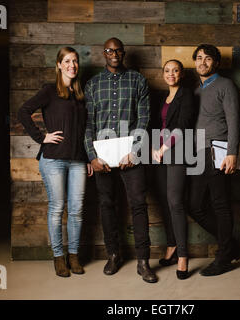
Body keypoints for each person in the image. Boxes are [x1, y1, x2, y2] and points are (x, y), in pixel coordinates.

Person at [84, 38, 157, 283]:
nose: (114, 54)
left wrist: (135, 151)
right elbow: (88, 124)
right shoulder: (93, 84)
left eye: (117, 50)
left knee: (138, 204)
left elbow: (144, 119)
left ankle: (143, 261)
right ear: (103, 53)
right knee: (107, 205)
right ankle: (114, 254)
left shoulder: (138, 81)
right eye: (109, 50)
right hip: (102, 158)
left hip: (130, 156)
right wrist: (92, 157)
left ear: (123, 53)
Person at [18, 47, 93, 277]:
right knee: (57, 208)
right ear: (59, 65)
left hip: (78, 160)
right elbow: (23, 111)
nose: (72, 65)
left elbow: (84, 130)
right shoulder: (50, 91)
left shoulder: (80, 95)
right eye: (67, 61)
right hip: (53, 160)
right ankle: (59, 257)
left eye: (75, 61)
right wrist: (42, 137)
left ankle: (74, 256)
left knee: (77, 210)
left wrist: (89, 156)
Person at [189, 44, 240, 276]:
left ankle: (223, 259)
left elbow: (234, 121)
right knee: (195, 206)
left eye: (207, 58)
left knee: (220, 205)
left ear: (216, 63)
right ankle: (231, 246)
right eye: (199, 58)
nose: (202, 62)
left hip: (218, 152)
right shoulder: (195, 89)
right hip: (199, 154)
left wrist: (232, 153)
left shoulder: (225, 85)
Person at [151, 60, 195, 280]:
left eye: (175, 70)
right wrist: (152, 149)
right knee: (164, 202)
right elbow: (153, 125)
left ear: (182, 74)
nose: (171, 74)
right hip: (158, 155)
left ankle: (183, 256)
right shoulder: (161, 97)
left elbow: (184, 125)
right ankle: (171, 246)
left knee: (176, 203)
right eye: (167, 71)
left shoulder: (186, 95)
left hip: (177, 153)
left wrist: (164, 147)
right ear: (163, 74)